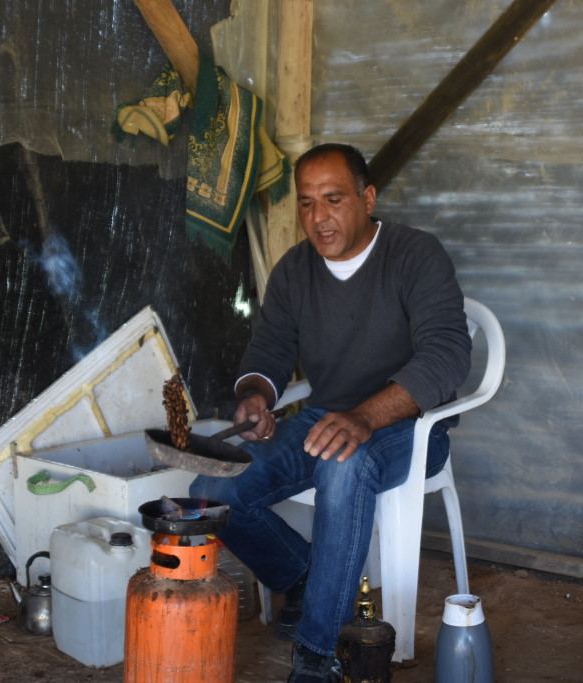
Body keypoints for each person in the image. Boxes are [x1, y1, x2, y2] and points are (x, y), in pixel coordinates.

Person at [190, 143, 471, 683]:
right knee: (214, 493)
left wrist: (366, 416)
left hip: (409, 425)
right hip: (326, 415)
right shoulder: (296, 271)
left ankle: (319, 657)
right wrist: (256, 396)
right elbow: (270, 351)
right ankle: (302, 576)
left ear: (367, 198)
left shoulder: (415, 255)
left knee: (344, 464)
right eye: (306, 203)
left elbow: (448, 354)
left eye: (334, 199)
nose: (318, 218)